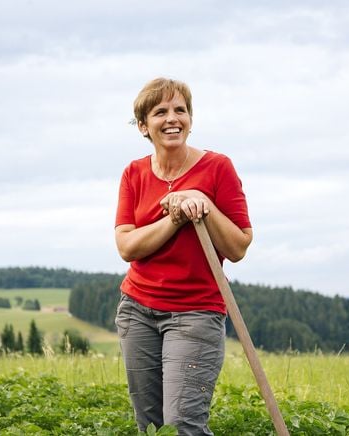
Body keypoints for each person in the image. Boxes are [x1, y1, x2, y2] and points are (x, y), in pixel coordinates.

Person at [114, 77, 253, 435]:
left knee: (182, 425)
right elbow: (127, 246)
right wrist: (174, 219)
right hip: (138, 311)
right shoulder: (134, 173)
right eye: (160, 112)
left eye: (180, 110)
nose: (172, 118)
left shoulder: (218, 168)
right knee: (150, 427)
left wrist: (204, 205)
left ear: (190, 119)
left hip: (195, 312)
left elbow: (238, 246)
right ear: (144, 126)